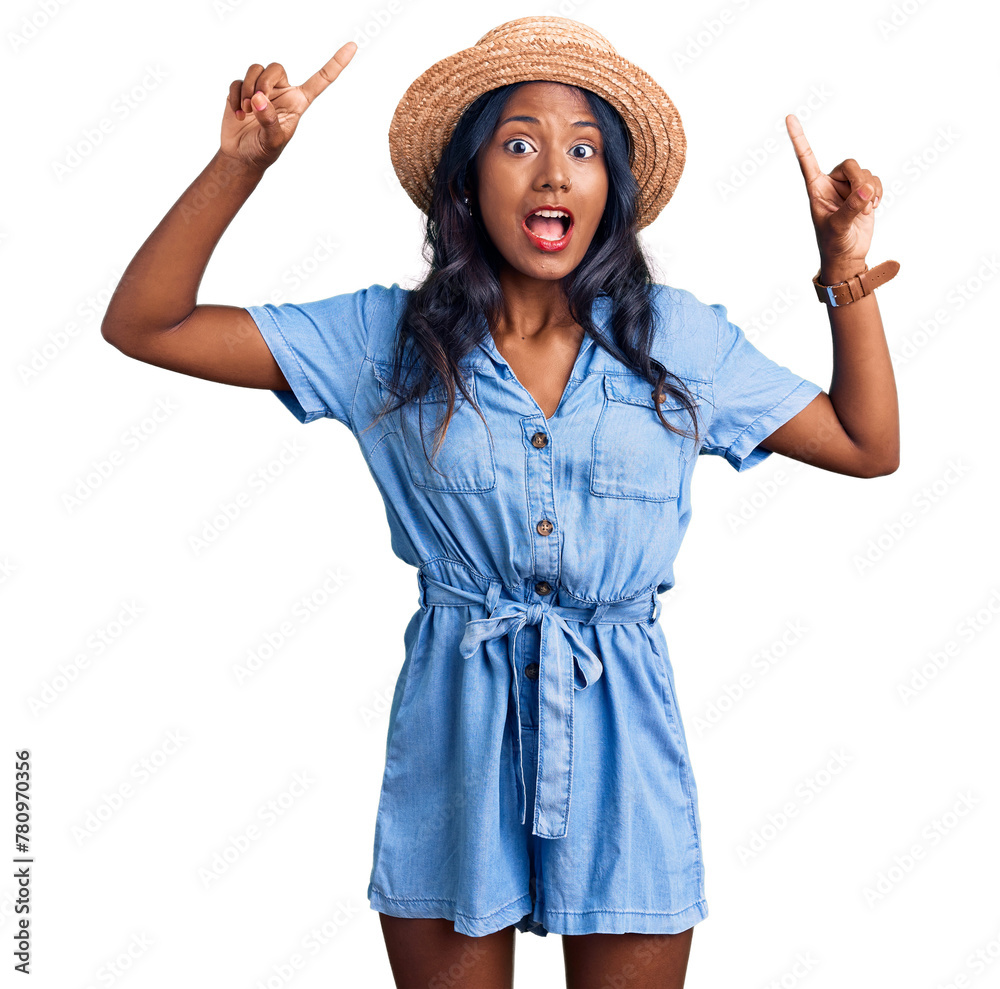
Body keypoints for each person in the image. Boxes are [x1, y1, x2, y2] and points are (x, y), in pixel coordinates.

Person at [101, 15, 900, 989]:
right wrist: (243, 166)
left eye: (584, 150)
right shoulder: (387, 339)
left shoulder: (676, 341)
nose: (554, 173)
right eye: (520, 145)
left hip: (623, 740)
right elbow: (146, 323)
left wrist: (843, 268)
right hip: (456, 739)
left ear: (611, 191)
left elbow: (867, 444)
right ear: (468, 181)